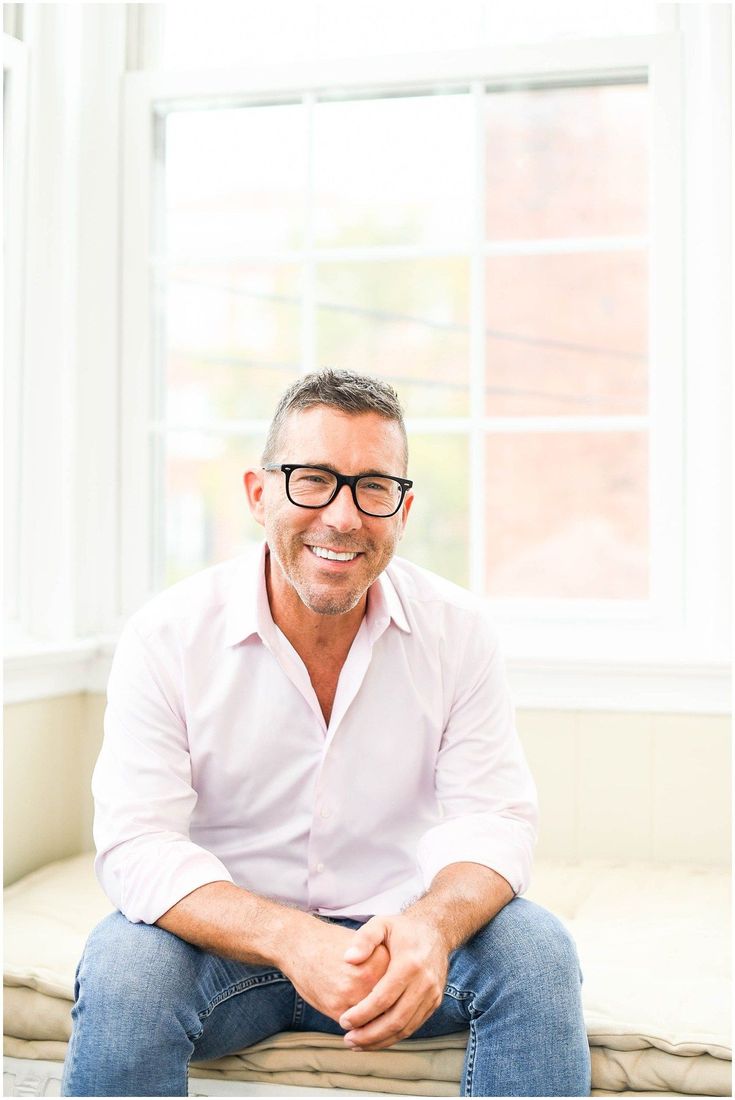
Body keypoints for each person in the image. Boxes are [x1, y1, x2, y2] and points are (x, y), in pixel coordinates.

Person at [62, 369, 590, 1097]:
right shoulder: (167, 635)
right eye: (312, 479)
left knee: (537, 951)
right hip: (227, 948)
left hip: (399, 945)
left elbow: (492, 819)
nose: (343, 516)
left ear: (402, 510)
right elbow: (136, 844)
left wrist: (431, 929)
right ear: (258, 493)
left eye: (374, 486)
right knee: (124, 964)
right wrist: (290, 938)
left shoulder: (457, 632)